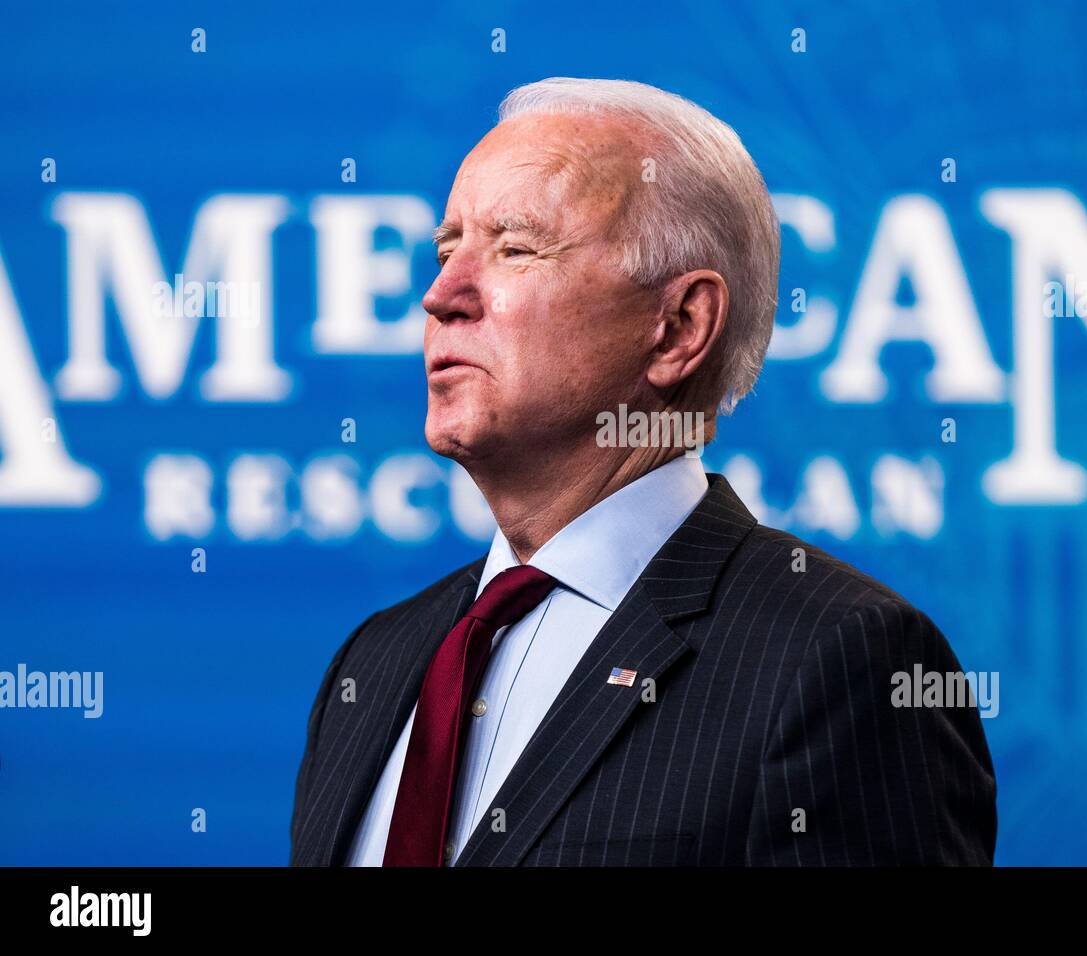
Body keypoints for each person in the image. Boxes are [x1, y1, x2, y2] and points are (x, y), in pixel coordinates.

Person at [290, 76, 996, 866]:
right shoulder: (375, 664)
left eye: (515, 247)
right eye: (449, 248)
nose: (440, 294)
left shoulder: (839, 660)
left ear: (678, 328)